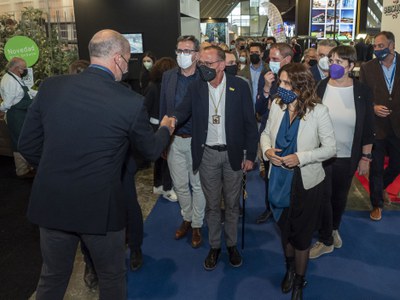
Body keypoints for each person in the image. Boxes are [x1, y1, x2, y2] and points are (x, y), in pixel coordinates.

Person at [18, 29, 172, 300]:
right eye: (127, 60)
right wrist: (166, 129)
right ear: (118, 59)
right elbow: (149, 149)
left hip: (52, 201)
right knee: (112, 276)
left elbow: (28, 144)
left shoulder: (51, 87)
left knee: (52, 277)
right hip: (100, 208)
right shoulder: (130, 102)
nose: (127, 67)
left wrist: (58, 170)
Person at [171, 45, 258, 271]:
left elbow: (250, 123)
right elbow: (182, 111)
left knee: (231, 204)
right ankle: (215, 246)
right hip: (207, 154)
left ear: (221, 65)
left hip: (233, 155)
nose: (203, 68)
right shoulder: (196, 87)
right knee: (212, 206)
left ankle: (231, 245)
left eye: (208, 64)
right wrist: (170, 121)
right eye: (201, 64)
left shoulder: (240, 86)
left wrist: (250, 156)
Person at [260, 63, 336, 300]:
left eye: (285, 84)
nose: (280, 87)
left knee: (301, 236)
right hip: (278, 180)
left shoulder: (318, 111)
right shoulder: (276, 105)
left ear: (301, 86)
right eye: (280, 82)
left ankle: (300, 282)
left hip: (306, 183)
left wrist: (301, 158)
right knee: (285, 233)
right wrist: (267, 151)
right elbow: (264, 134)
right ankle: (290, 269)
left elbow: (331, 149)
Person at [309, 45, 375, 259]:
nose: (333, 65)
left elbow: (367, 128)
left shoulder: (362, 91)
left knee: (339, 196)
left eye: (339, 62)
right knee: (324, 196)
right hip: (323, 154)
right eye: (332, 60)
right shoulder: (321, 86)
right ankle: (325, 239)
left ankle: (333, 228)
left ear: (351, 66)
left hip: (348, 155)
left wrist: (365, 157)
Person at [159, 35, 206, 248]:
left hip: (197, 140)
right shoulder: (168, 76)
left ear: (196, 54)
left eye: (187, 51)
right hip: (174, 140)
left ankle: (197, 223)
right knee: (180, 185)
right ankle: (186, 218)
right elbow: (163, 109)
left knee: (198, 185)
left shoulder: (205, 77)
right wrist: (162, 139)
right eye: (179, 51)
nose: (182, 55)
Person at [360, 31, 400, 221]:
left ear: (391, 45)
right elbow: (363, 97)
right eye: (375, 46)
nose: (377, 50)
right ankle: (377, 204)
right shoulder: (367, 68)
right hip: (377, 126)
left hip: (398, 125)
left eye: (381, 46)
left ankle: (381, 187)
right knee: (375, 167)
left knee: (396, 164)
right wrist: (373, 107)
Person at [255, 42, 293, 224]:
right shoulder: (267, 76)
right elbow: (259, 108)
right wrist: (266, 89)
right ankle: (269, 207)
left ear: (287, 59)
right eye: (270, 58)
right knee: (269, 174)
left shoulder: (297, 78)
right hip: (267, 134)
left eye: (275, 59)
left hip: (288, 135)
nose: (271, 62)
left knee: (288, 174)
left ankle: (287, 207)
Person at [144, 57, 178, 201]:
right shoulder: (155, 87)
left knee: (160, 158)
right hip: (161, 126)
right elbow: (146, 107)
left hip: (158, 125)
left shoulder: (152, 85)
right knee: (166, 159)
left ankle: (158, 185)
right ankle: (166, 188)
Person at [0, 57, 37, 178]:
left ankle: (28, 166)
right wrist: (1, 110)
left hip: (22, 114)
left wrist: (41, 92)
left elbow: (27, 92)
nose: (25, 70)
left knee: (25, 139)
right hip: (16, 115)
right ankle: (21, 170)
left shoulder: (16, 78)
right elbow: (8, 102)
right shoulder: (9, 81)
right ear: (16, 68)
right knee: (19, 142)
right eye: (23, 68)